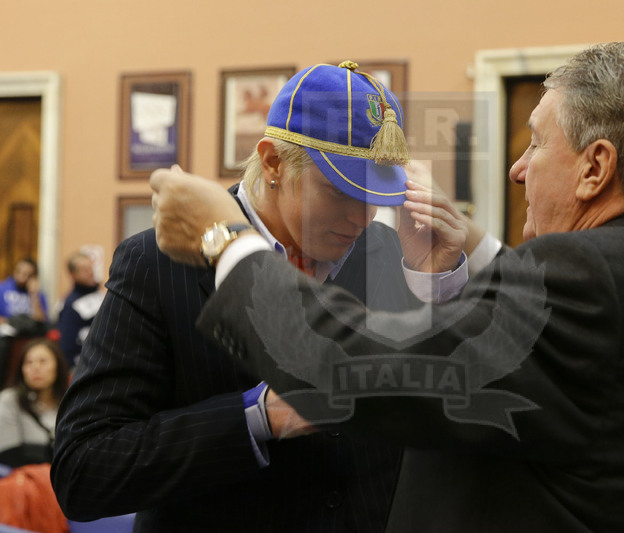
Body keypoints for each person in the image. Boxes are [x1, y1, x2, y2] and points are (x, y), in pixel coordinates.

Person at [151, 41, 624, 532]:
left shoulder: (589, 281)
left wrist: (224, 242)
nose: (518, 167)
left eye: (535, 142)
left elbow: (350, 368)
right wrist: (472, 258)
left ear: (595, 167)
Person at [52, 61, 487, 532]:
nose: (361, 218)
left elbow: (448, 418)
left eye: (374, 196)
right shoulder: (158, 262)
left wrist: (441, 291)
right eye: (341, 192)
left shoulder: (392, 255)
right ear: (273, 162)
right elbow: (84, 470)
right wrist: (256, 418)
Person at [0, 338, 69, 468]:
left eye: (43, 362)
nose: (35, 367)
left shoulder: (69, 404)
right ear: (22, 369)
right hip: (25, 480)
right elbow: (7, 454)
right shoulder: (10, 400)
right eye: (28, 362)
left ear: (58, 366)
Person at [0, 258, 50, 386]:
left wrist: (34, 295)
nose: (22, 276)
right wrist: (11, 321)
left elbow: (41, 321)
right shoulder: (3, 289)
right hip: (7, 336)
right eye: (20, 272)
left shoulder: (38, 294)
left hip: (28, 335)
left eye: (28, 274)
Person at [57, 251, 104, 369]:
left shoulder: (102, 295)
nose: (90, 272)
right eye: (84, 269)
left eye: (91, 267)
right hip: (87, 365)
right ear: (73, 275)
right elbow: (67, 346)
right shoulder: (70, 305)